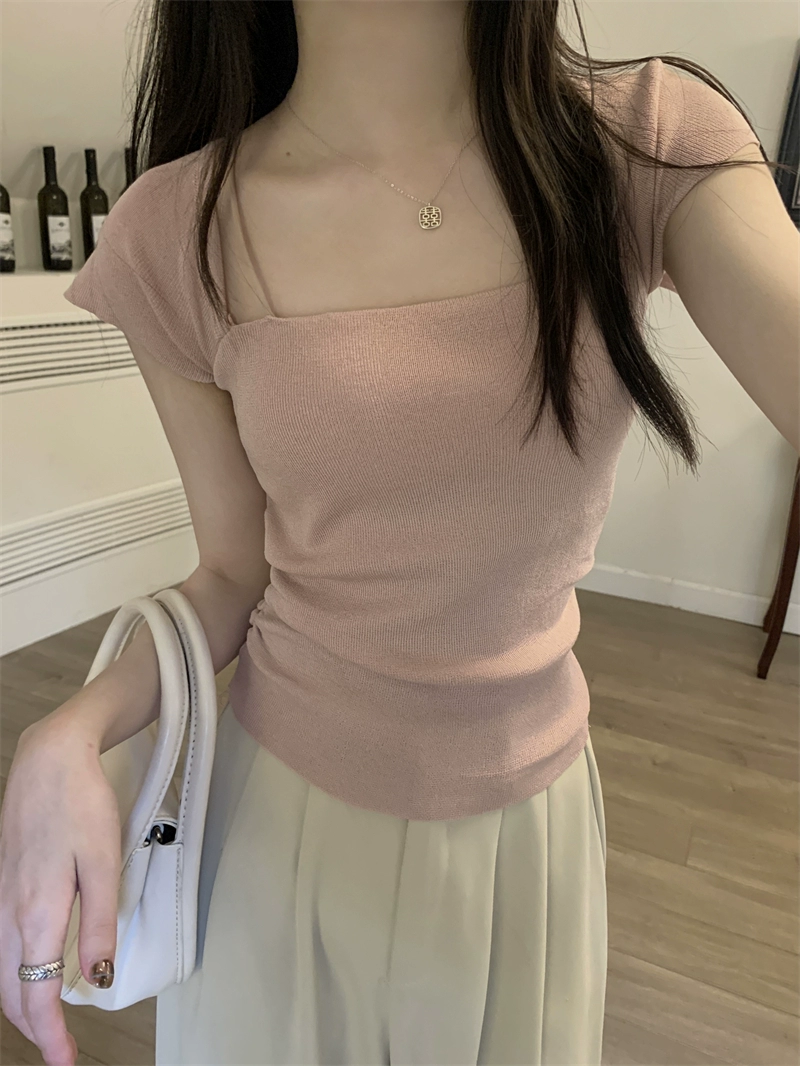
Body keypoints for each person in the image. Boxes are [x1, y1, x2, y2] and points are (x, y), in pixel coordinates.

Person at [1, 2, 796, 1065]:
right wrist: (70, 730)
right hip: (281, 831)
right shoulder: (176, 227)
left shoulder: (644, 145)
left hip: (530, 839)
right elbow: (233, 572)